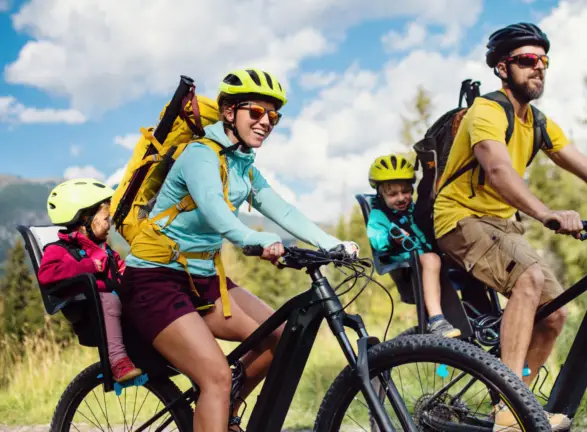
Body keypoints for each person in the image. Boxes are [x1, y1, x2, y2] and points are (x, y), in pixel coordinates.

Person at [432, 23, 587, 431]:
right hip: (460, 218)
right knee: (529, 280)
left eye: (544, 61)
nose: (539, 68)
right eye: (528, 60)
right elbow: (496, 169)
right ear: (501, 68)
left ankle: (519, 402)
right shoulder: (488, 112)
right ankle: (509, 413)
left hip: (502, 225)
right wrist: (545, 212)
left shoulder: (539, 123)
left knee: (554, 316)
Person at [119, 67, 359, 432]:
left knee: (280, 338)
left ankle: (221, 410)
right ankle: (215, 398)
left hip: (202, 279)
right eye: (257, 112)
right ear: (229, 112)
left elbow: (282, 209)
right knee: (214, 376)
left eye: (273, 116)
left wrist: (332, 244)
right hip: (155, 281)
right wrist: (255, 239)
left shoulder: (243, 165)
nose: (266, 122)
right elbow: (215, 210)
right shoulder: (200, 155)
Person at [39, 179, 142, 383]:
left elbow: (121, 271)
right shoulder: (58, 250)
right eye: (106, 219)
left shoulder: (105, 250)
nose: (109, 225)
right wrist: (88, 266)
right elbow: (46, 274)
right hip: (90, 313)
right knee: (109, 300)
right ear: (86, 220)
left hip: (119, 308)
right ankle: (118, 361)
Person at [366, 154, 460, 338]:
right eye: (393, 194)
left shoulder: (414, 210)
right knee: (432, 259)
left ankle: (480, 314)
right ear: (380, 194)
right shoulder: (378, 216)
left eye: (406, 191)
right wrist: (393, 238)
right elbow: (377, 240)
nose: (401, 198)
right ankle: (436, 320)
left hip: (425, 260)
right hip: (407, 268)